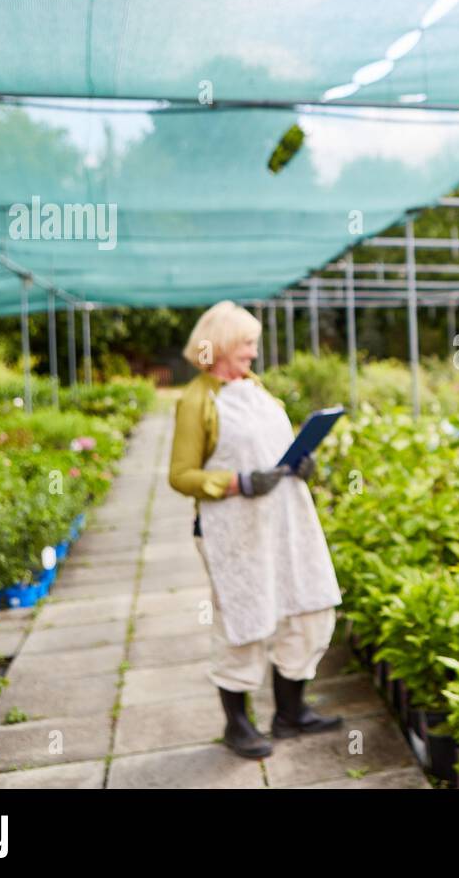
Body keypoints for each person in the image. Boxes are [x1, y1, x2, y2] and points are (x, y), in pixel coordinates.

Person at [168, 300, 343, 759]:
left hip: (285, 521)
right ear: (221, 344)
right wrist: (238, 482)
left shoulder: (255, 388)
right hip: (233, 528)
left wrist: (300, 463)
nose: (253, 351)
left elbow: (274, 448)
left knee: (306, 607)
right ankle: (238, 725)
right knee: (242, 620)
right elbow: (181, 474)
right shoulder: (196, 400)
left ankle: (291, 714)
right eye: (246, 343)